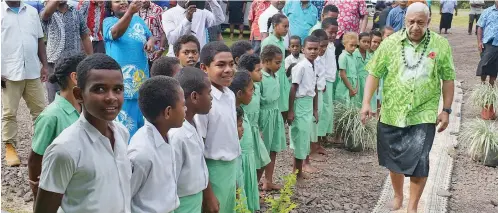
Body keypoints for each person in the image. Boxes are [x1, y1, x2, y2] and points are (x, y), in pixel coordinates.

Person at [361, 3, 455, 212]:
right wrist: (366, 102)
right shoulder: (390, 43)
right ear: (405, 21)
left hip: (423, 112)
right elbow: (374, 73)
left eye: (420, 22)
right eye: (411, 22)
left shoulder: (440, 45)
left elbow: (448, 79)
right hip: (392, 112)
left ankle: (412, 207)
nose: (415, 27)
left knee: (420, 161)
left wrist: (446, 110)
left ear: (428, 22)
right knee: (393, 160)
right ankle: (398, 196)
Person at [34, 54, 131, 213]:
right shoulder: (64, 150)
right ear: (79, 95)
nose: (111, 97)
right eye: (100, 89)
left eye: (118, 89)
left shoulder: (121, 133)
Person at [28, 53, 85, 203]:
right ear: (75, 78)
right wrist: (37, 191)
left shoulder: (86, 109)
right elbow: (35, 159)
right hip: (59, 191)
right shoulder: (51, 116)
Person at [1, 0, 49, 167]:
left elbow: (39, 39)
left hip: (32, 70)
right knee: (9, 113)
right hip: (8, 72)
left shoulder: (31, 12)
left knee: (41, 112)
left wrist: (45, 65)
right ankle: (10, 147)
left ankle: (42, 147)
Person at [128, 76, 185, 213]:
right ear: (168, 112)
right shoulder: (142, 154)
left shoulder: (167, 136)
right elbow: (125, 195)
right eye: (183, 105)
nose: (186, 109)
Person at [195, 41, 239, 213]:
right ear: (204, 68)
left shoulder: (229, 94)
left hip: (230, 167)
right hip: (212, 172)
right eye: (220, 65)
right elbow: (198, 151)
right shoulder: (204, 103)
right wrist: (208, 195)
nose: (228, 69)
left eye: (231, 64)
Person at [103, 0, 155, 136]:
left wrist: (150, 42)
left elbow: (151, 36)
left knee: (144, 128)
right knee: (125, 130)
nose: (122, 3)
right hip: (121, 86)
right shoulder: (108, 22)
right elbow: (115, 34)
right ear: (111, 8)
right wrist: (130, 13)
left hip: (142, 84)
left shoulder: (138, 20)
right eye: (117, 1)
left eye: (124, 0)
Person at [171, 67, 212, 213]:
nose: (211, 98)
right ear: (194, 97)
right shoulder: (177, 135)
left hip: (195, 198)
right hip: (182, 203)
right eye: (209, 93)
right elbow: (170, 181)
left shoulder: (194, 122)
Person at [41, 0, 93, 104]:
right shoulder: (47, 13)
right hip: (54, 65)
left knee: (76, 97)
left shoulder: (76, 13)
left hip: (75, 64)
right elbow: (46, 14)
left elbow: (85, 36)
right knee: (55, 99)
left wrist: (91, 60)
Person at [287, 36, 320, 185]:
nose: (313, 51)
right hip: (299, 104)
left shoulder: (314, 65)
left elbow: (314, 88)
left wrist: (315, 109)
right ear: (303, 50)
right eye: (310, 49)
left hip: (308, 105)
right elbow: (293, 88)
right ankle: (296, 172)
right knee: (300, 139)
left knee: (304, 138)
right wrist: (291, 111)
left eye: (315, 49)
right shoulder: (300, 66)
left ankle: (298, 171)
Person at [229, 71, 261, 212]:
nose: (253, 92)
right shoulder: (231, 114)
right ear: (239, 93)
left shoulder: (240, 109)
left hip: (245, 159)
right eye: (251, 89)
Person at [238, 54, 271, 189]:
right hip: (245, 130)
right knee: (248, 163)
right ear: (247, 73)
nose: (261, 72)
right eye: (258, 70)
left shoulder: (256, 88)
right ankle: (247, 190)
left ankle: (253, 187)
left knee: (263, 160)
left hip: (254, 129)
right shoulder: (244, 91)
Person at [259, 45, 287, 191]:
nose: (280, 65)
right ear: (266, 61)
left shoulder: (276, 75)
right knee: (263, 151)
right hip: (265, 117)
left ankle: (268, 180)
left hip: (275, 114)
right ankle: (256, 182)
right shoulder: (261, 78)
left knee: (273, 149)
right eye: (277, 62)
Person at [261, 14, 290, 118]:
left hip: (282, 77)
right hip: (273, 78)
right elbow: (264, 63)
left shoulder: (282, 41)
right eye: (284, 26)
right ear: (275, 25)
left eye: (288, 26)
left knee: (284, 108)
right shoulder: (268, 41)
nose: (286, 29)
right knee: (275, 109)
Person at [308, 29, 328, 164]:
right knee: (311, 122)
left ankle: (314, 147)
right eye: (320, 46)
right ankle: (310, 151)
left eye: (325, 46)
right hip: (311, 95)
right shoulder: (309, 62)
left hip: (319, 93)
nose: (322, 49)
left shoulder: (320, 60)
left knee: (317, 120)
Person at [319, 17, 339, 149]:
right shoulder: (322, 47)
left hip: (331, 80)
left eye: (335, 32)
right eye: (330, 32)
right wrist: (322, 82)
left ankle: (325, 134)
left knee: (328, 110)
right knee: (323, 110)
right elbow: (320, 66)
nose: (333, 35)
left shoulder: (331, 45)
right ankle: (319, 137)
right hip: (324, 81)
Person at [138, 0, 167, 68]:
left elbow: (163, 31)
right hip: (139, 53)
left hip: (155, 54)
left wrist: (161, 49)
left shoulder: (157, 9)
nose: (143, 1)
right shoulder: (134, 11)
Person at [476, 0, 498, 86]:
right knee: (484, 65)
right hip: (488, 43)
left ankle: (491, 88)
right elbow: (480, 27)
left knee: (495, 67)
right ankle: (483, 85)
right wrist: (479, 42)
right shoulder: (487, 12)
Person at [336, 32, 360, 105]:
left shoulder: (354, 56)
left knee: (353, 106)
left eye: (355, 45)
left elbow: (356, 72)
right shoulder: (343, 56)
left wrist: (356, 87)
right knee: (344, 106)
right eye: (351, 45)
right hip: (345, 85)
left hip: (354, 84)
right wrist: (350, 89)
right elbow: (343, 74)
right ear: (344, 44)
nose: (353, 48)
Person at [354, 32, 376, 114]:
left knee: (368, 102)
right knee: (358, 104)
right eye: (364, 41)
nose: (366, 44)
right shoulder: (354, 54)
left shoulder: (370, 56)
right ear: (358, 42)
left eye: (368, 42)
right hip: (357, 82)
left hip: (367, 82)